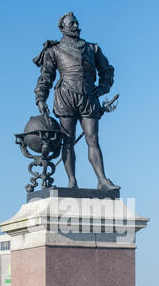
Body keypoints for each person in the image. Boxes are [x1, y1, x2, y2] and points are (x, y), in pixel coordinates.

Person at [33, 12, 120, 191]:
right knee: (68, 141)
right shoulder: (53, 50)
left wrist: (102, 88)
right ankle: (72, 181)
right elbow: (46, 77)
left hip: (88, 96)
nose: (75, 26)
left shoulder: (92, 48)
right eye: (71, 23)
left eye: (76, 23)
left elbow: (107, 71)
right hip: (65, 96)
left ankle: (102, 179)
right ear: (62, 28)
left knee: (93, 138)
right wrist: (41, 98)